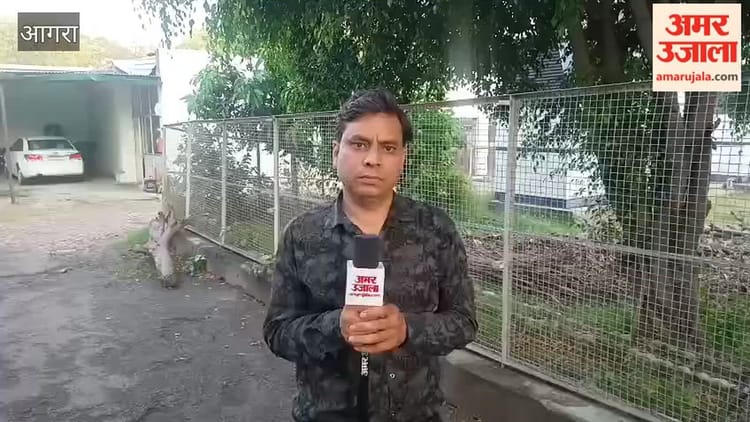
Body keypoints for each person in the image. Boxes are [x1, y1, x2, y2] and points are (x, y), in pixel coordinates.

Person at [263, 88, 478, 422]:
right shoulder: (301, 234)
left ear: (403, 158)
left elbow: (464, 322)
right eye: (359, 144)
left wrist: (407, 329)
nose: (372, 159)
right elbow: (277, 332)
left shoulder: (436, 229)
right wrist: (334, 326)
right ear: (336, 152)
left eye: (388, 148)